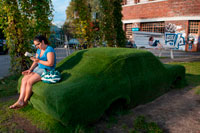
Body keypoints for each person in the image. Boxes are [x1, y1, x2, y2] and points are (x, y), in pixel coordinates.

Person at [9, 35, 56, 109]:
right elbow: (35, 62)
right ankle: (20, 100)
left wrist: (39, 61)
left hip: (47, 69)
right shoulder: (39, 50)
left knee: (29, 81)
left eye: (38, 44)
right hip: (38, 68)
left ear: (43, 41)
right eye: (35, 45)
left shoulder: (49, 49)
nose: (37, 46)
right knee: (24, 79)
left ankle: (25, 101)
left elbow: (51, 63)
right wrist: (30, 70)